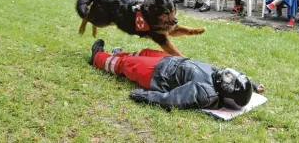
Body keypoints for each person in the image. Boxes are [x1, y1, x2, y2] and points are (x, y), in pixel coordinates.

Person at [89, 39, 265, 110]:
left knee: (125, 65)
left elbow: (172, 99)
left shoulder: (205, 92)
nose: (227, 75)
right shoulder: (219, 78)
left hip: (159, 74)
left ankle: (97, 57)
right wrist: (252, 85)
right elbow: (234, 82)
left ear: (225, 93)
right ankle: (116, 54)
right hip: (171, 62)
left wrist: (145, 96)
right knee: (144, 52)